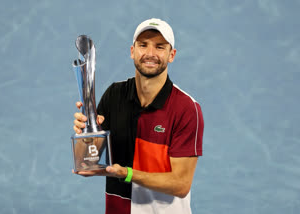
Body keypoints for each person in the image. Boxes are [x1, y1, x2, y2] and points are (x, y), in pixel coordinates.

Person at [73, 18, 204, 214]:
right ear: (132, 51)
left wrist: (127, 174)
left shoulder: (186, 108)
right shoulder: (114, 95)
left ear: (172, 55)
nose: (150, 54)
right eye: (143, 45)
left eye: (160, 47)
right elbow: (87, 165)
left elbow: (180, 184)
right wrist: (86, 131)